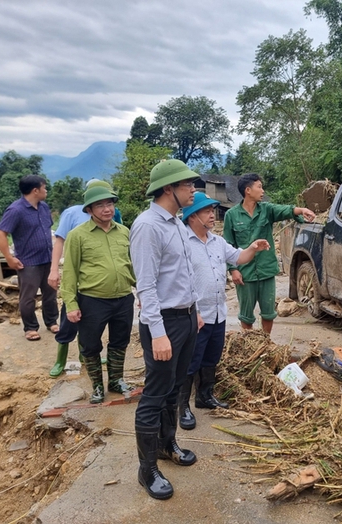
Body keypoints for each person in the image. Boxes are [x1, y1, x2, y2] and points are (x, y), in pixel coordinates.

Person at [130, 159, 203, 500]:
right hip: (164, 324)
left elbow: (182, 273)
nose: (193, 189)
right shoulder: (148, 226)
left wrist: (195, 312)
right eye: (188, 184)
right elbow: (145, 286)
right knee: (155, 395)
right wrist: (158, 333)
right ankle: (147, 470)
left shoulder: (175, 222)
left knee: (175, 390)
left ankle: (166, 444)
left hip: (185, 317)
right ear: (168, 189)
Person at [179, 193, 270, 430]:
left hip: (218, 313)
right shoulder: (182, 243)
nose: (213, 215)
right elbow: (179, 281)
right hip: (196, 316)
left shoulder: (217, 242)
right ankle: (183, 407)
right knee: (190, 362)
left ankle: (204, 396)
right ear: (192, 216)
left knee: (211, 357)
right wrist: (192, 311)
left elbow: (238, 257)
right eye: (207, 211)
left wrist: (252, 248)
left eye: (212, 210)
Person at [59, 185, 135, 404]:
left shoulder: (124, 231)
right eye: (100, 205)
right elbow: (70, 271)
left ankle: (116, 380)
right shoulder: (77, 236)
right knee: (90, 344)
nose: (106, 209)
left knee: (120, 341)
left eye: (109, 204)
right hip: (92, 299)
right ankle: (97, 386)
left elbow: (132, 266)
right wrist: (71, 304)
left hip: (123, 298)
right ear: (89, 210)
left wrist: (144, 292)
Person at [223, 173, 316, 334]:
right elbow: (227, 245)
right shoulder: (231, 216)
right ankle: (249, 341)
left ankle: (266, 342)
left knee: (268, 312)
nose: (262, 190)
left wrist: (302, 210)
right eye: (259, 187)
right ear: (248, 190)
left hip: (266, 270)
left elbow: (285, 210)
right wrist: (233, 270)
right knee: (246, 316)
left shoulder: (267, 210)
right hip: (245, 273)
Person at [48, 179, 117, 377]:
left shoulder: (112, 214)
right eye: (98, 201)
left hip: (96, 285)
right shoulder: (72, 213)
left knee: (89, 323)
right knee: (68, 321)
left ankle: (84, 357)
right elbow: (59, 242)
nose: (105, 206)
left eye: (108, 200)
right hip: (76, 279)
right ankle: (60, 360)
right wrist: (54, 270)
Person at [0, 175, 59, 341]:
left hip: (47, 258)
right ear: (35, 191)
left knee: (51, 292)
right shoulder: (16, 210)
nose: (46, 191)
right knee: (28, 296)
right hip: (28, 261)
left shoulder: (44, 207)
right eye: (44, 188)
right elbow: (0, 233)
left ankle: (51, 321)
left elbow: (47, 230)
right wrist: (8, 257)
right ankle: (30, 327)